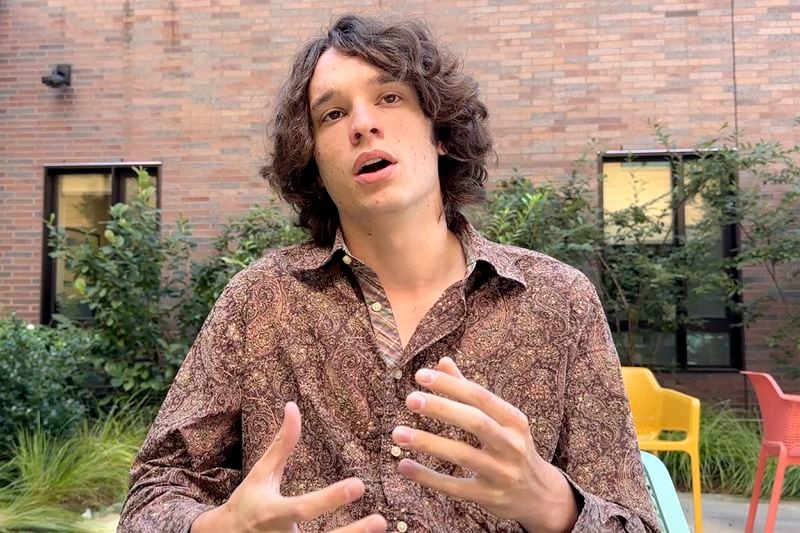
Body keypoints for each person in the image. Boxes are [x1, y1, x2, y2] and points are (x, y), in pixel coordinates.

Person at [118, 14, 659, 533]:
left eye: (390, 97)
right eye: (331, 114)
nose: (362, 123)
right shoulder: (259, 300)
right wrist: (212, 528)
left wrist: (556, 506)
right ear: (315, 161)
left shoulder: (559, 301)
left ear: (441, 131)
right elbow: (153, 495)